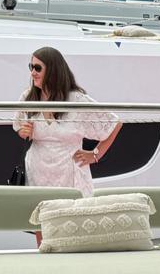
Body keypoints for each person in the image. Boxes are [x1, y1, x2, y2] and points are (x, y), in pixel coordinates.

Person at [13, 47, 120, 196]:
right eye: (31, 67)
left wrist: (95, 155)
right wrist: (23, 132)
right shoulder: (28, 97)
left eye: (38, 68)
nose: (32, 73)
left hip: (70, 178)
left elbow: (114, 124)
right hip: (36, 176)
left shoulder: (76, 100)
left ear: (53, 70)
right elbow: (19, 127)